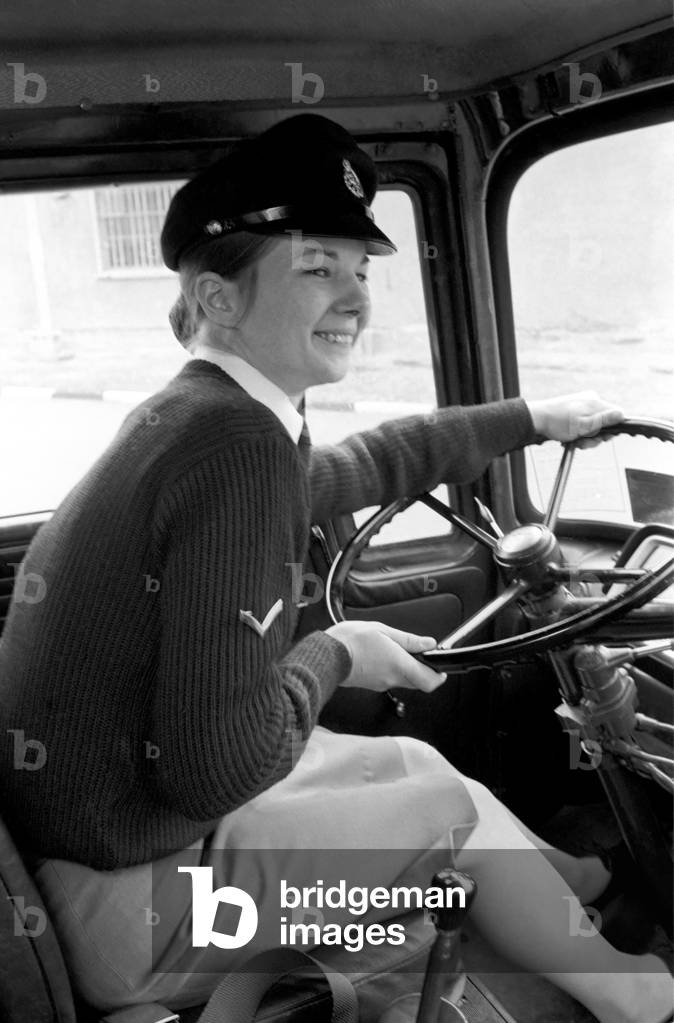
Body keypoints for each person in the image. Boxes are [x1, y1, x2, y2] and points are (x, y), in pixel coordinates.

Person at [0, 114, 670, 1023]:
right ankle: (647, 997)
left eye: (361, 270)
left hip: (117, 847)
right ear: (220, 296)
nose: (355, 297)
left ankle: (582, 881)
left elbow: (356, 468)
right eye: (317, 266)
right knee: (437, 808)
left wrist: (531, 416)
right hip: (143, 917)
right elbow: (215, 767)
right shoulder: (232, 444)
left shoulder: (205, 415)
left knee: (405, 762)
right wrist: (340, 653)